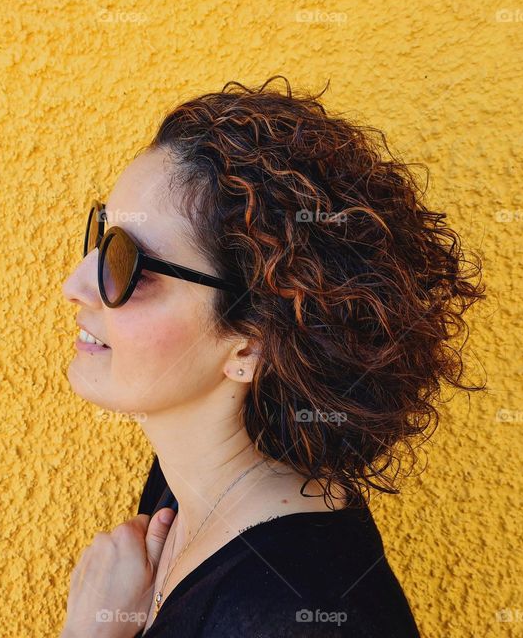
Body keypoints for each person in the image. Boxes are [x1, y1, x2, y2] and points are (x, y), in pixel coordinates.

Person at [59, 77, 486, 637]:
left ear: (252, 341)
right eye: (102, 233)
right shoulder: (182, 483)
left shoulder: (293, 617)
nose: (76, 284)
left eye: (127, 263)